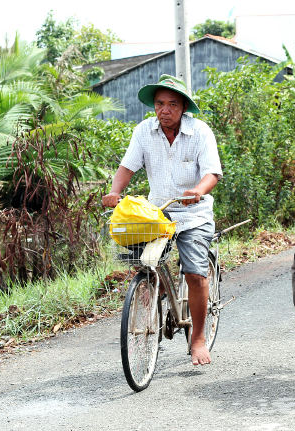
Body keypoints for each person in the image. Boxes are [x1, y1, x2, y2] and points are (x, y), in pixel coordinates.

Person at [102, 74, 222, 366]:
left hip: (194, 213)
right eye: (159, 104)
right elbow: (127, 166)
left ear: (183, 108)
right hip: (159, 212)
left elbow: (212, 173)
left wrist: (198, 190)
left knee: (194, 274)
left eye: (171, 104)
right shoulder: (144, 131)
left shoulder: (200, 132)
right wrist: (115, 191)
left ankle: (198, 339)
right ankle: (149, 298)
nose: (164, 110)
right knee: (142, 261)